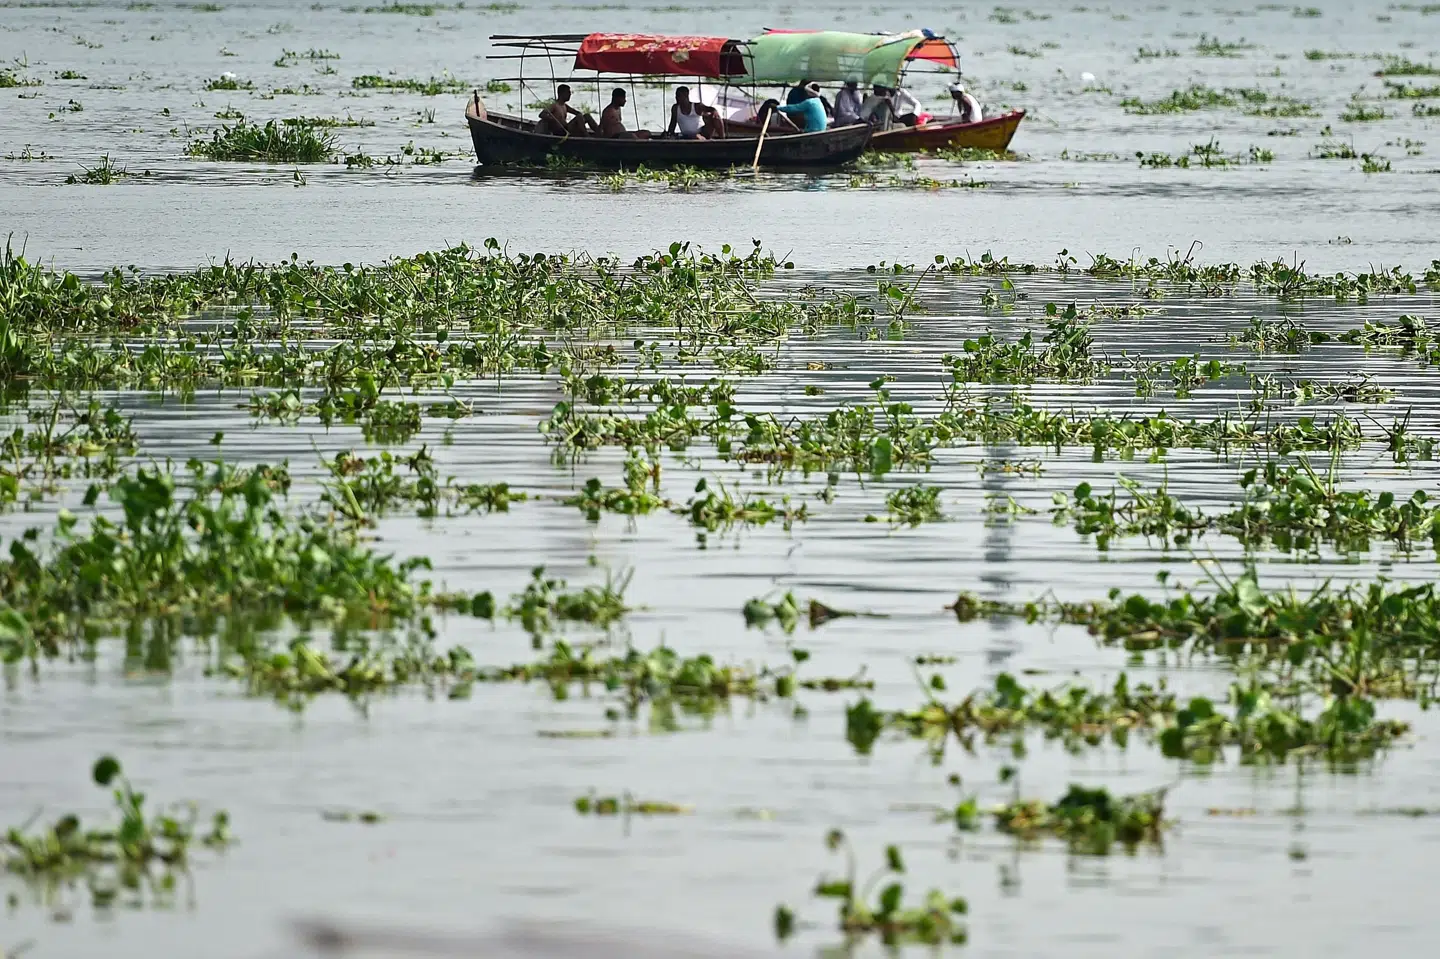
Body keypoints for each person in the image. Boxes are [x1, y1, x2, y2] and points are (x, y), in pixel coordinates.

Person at [761, 85, 827, 133]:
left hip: (813, 131)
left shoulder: (809, 102)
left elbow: (793, 108)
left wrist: (777, 107)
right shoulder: (818, 101)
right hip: (821, 130)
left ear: (808, 93)